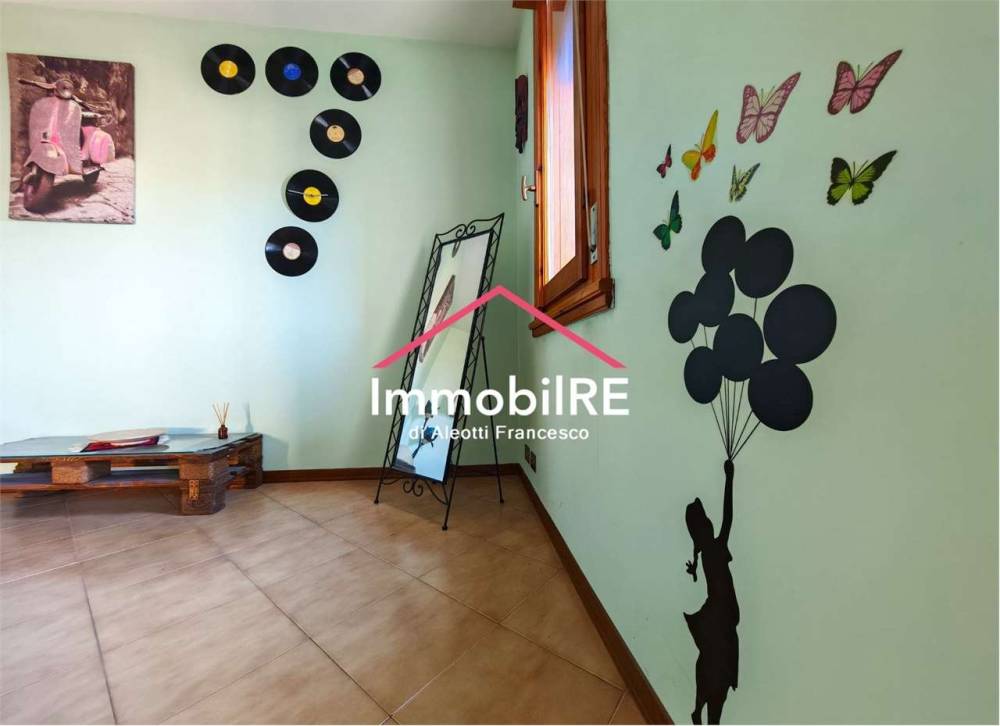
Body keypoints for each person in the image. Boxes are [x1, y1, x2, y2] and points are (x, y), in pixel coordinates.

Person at [684, 459, 740, 724]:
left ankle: (699, 710)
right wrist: (729, 479)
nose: (710, 522)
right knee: (718, 675)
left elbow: (726, 518)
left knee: (715, 670)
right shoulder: (715, 548)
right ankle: (702, 711)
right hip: (720, 618)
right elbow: (728, 516)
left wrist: (693, 571)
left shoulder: (708, 551)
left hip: (721, 619)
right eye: (706, 521)